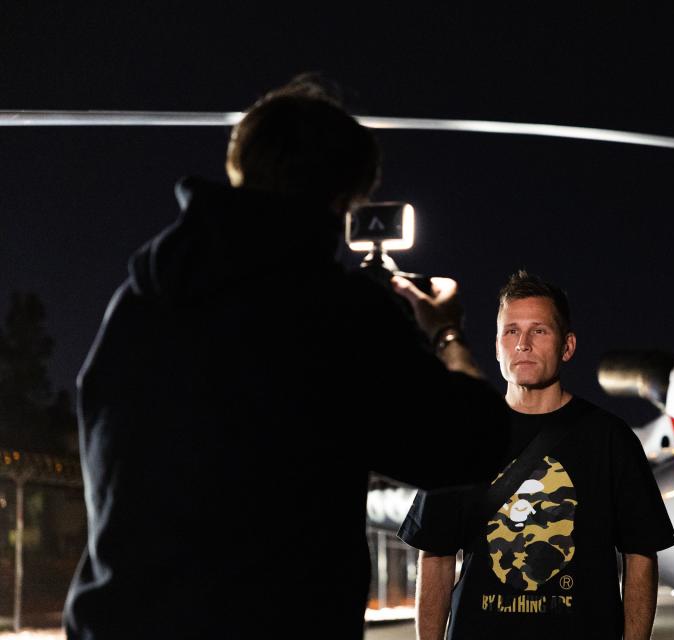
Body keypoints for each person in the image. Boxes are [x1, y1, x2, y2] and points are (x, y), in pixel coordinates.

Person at [64, 76, 509, 639]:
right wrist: (446, 336)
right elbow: (474, 443)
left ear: (239, 167)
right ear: (341, 199)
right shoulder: (332, 312)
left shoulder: (139, 300)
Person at [398, 270, 674, 640]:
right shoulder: (461, 437)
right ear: (497, 346)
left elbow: (641, 555)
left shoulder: (610, 439)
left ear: (568, 346)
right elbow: (436, 555)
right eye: (511, 331)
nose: (523, 343)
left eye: (539, 330)